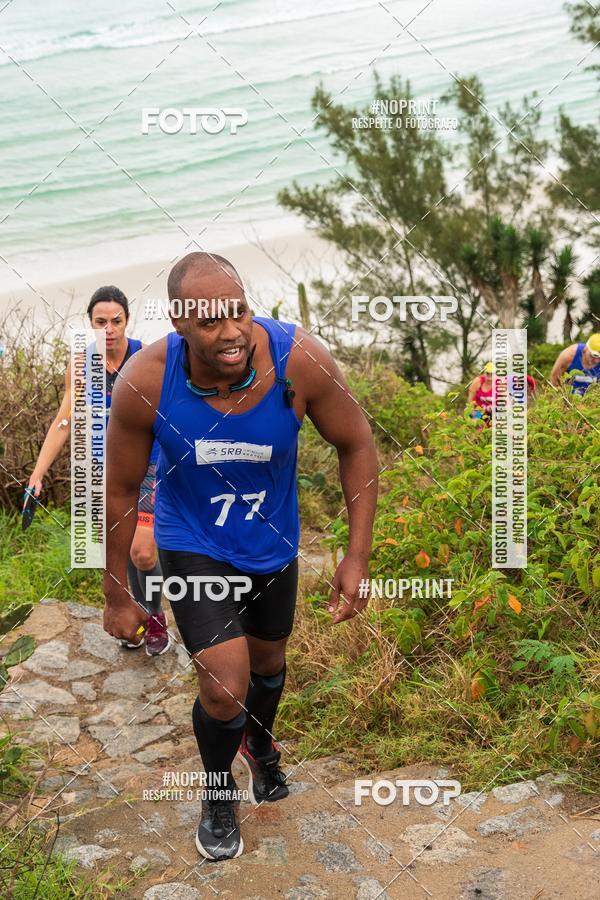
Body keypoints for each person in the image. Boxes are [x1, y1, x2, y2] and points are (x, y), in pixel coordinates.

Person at [102, 252, 379, 861]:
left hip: (270, 541)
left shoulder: (298, 359)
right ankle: (218, 791)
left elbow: (357, 444)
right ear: (178, 323)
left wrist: (356, 557)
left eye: (239, 313)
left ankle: (259, 741)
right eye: (209, 322)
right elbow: (119, 489)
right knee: (226, 686)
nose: (231, 333)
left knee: (268, 663)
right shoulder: (146, 382)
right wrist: (116, 591)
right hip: (192, 541)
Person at [27, 286, 170, 656]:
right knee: (117, 550)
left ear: (127, 321)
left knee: (142, 552)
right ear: (90, 323)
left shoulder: (145, 359)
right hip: (104, 472)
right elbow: (64, 421)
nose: (109, 329)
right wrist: (37, 474)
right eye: (101, 321)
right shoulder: (82, 364)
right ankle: (131, 614)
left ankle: (154, 617)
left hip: (148, 465)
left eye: (116, 321)